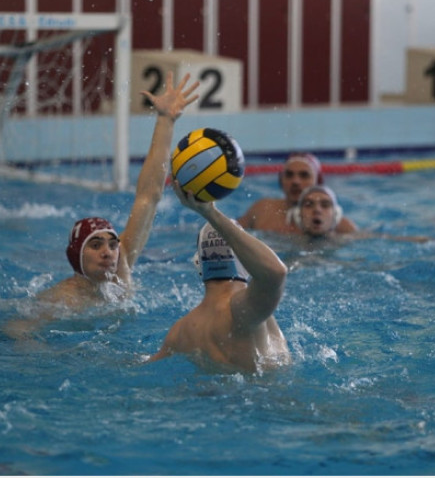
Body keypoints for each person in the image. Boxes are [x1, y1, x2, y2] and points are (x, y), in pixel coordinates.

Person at [4, 72, 200, 339]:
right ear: (76, 257)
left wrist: (165, 121)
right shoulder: (62, 300)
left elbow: (148, 196)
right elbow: (16, 328)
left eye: (112, 244)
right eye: (95, 246)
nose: (108, 253)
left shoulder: (122, 268)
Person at [148, 180, 291, 373]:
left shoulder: (179, 332)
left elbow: (144, 366)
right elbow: (276, 272)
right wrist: (210, 213)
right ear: (247, 263)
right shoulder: (244, 311)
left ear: (198, 264)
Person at [238, 152, 356, 235]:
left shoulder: (337, 225)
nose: (295, 181)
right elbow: (230, 233)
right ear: (281, 180)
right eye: (289, 175)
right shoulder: (262, 209)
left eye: (304, 175)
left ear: (318, 182)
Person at [297, 185, 429, 243]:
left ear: (335, 216)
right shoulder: (284, 240)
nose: (317, 210)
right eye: (309, 204)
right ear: (299, 215)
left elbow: (387, 238)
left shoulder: (348, 239)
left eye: (325, 205)